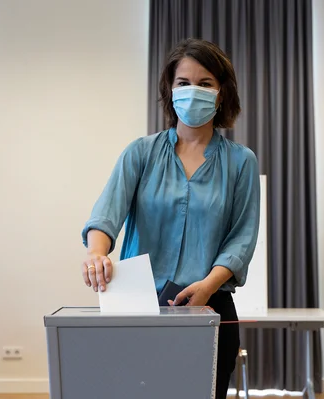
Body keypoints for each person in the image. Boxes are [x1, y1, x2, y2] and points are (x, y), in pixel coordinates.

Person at [80, 38, 260, 398]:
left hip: (210, 304)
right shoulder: (140, 153)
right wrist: (96, 253)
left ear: (221, 93)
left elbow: (242, 238)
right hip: (138, 303)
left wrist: (208, 285)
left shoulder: (242, 162)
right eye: (184, 82)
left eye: (205, 83)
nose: (194, 91)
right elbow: (105, 215)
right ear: (170, 90)